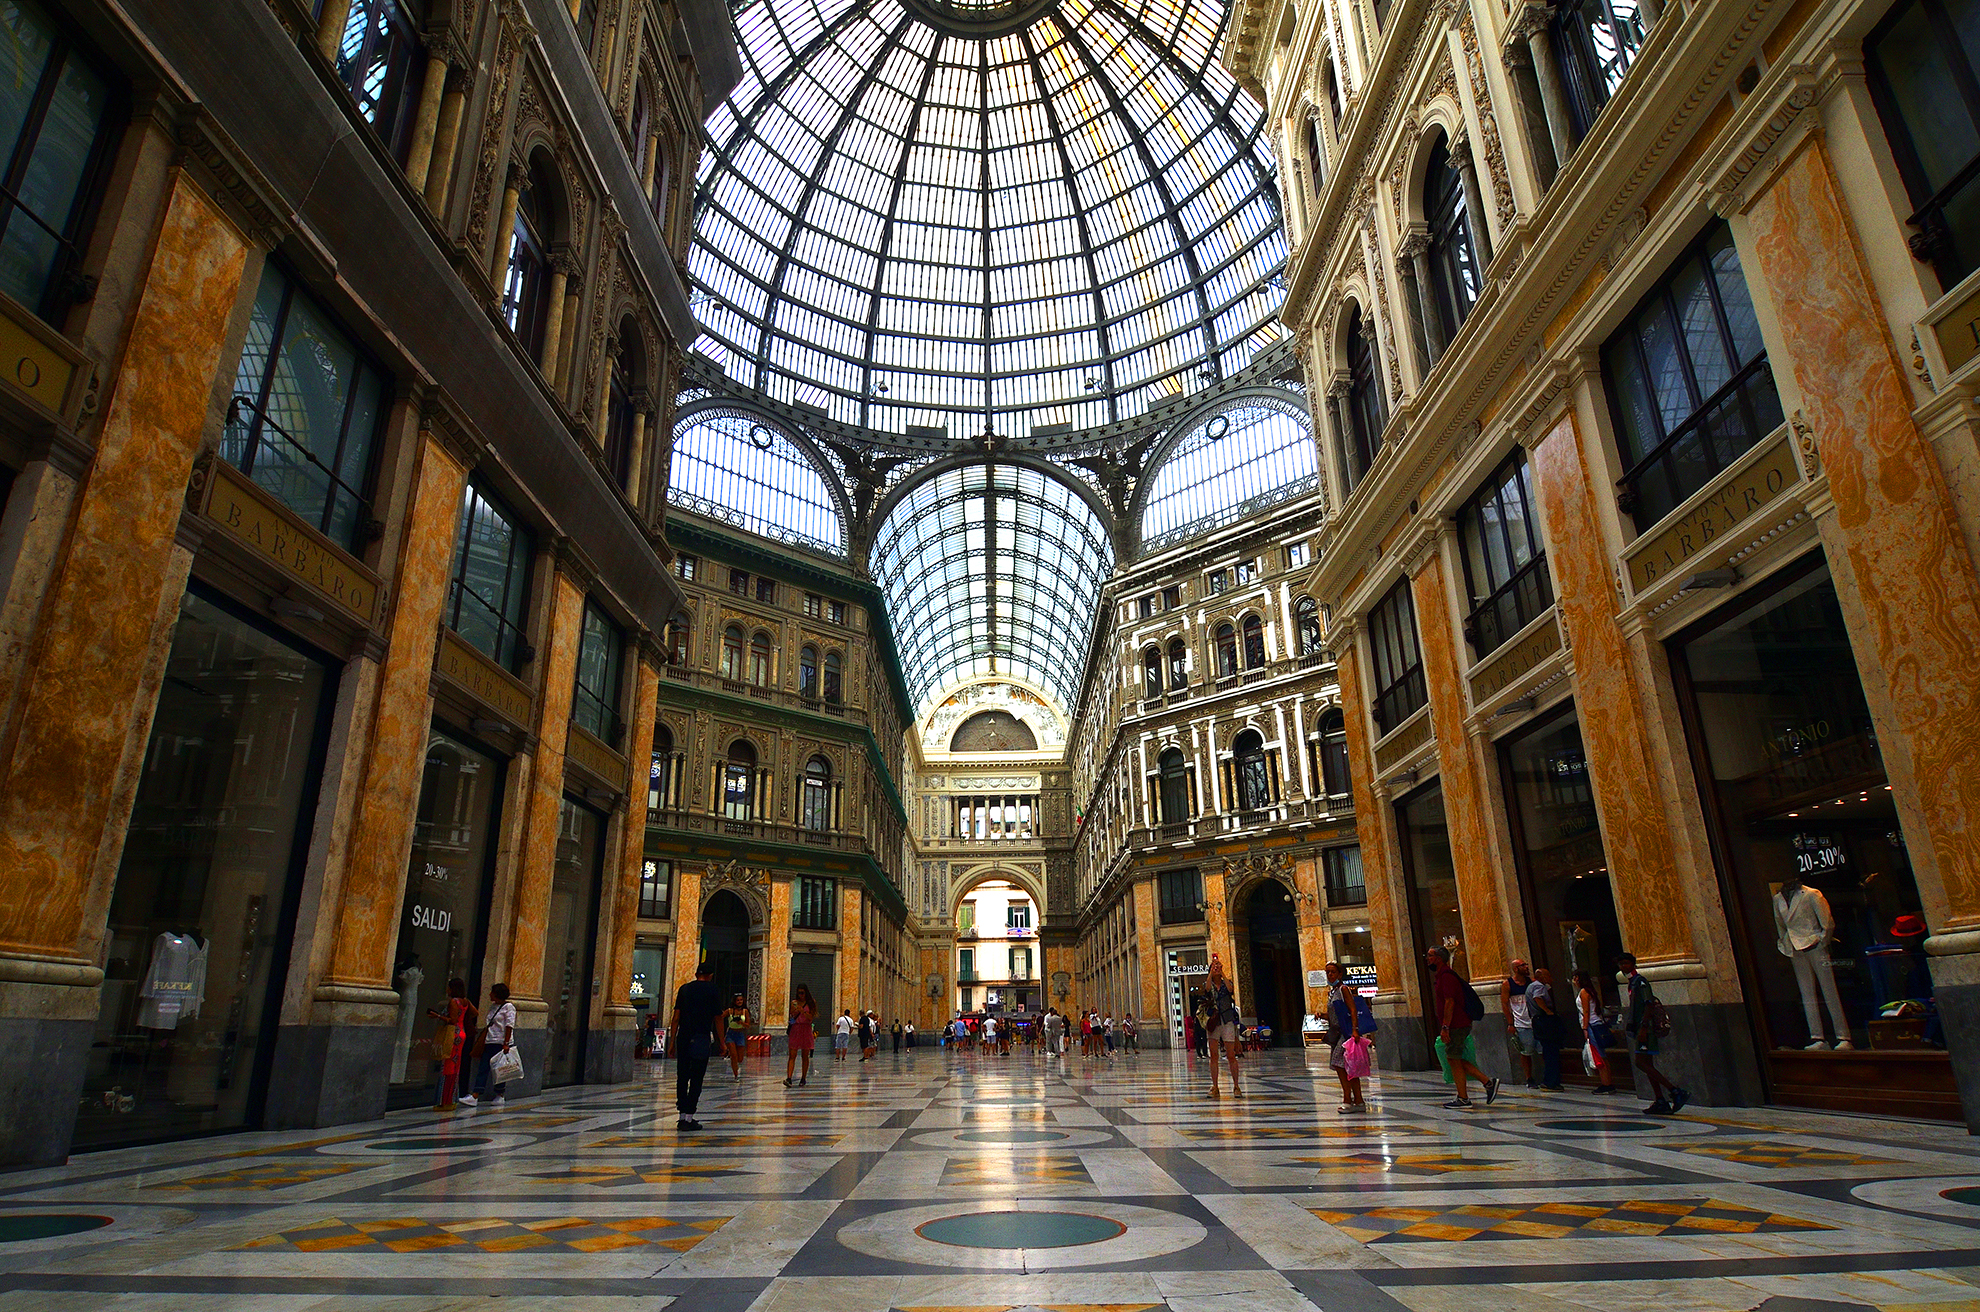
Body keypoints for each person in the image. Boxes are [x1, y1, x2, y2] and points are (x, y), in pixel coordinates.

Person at [1428, 945, 1497, 1109]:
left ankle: (1480, 1086)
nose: (1427, 959)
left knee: (1453, 1058)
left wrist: (1445, 1026)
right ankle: (1475, 1089)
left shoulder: (1446, 976)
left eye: (1430, 956)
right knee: (1453, 1058)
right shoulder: (1442, 975)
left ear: (1438, 958)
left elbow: (1450, 1001)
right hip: (1455, 1023)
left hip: (1456, 1024)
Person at [1620, 953, 1689, 1115]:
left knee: (1641, 1063)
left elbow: (1648, 1004)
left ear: (1633, 964)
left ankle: (1676, 1091)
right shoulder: (1632, 982)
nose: (1623, 967)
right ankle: (1660, 1100)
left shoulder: (1640, 982)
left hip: (1646, 1030)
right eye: (1621, 964)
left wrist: (1644, 1028)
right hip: (1640, 1029)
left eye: (1626, 963)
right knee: (1647, 1065)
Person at [671, 962, 723, 1130]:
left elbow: (676, 1017)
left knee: (682, 1076)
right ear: (710, 975)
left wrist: (671, 1042)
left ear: (695, 974)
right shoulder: (713, 990)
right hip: (701, 1037)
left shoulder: (684, 989)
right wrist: (722, 1042)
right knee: (696, 1078)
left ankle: (681, 1116)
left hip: (684, 1037)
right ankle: (689, 1117)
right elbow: (718, 1018)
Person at [459, 981, 514, 1108]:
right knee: (483, 1067)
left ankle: (499, 1094)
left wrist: (506, 1043)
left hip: (500, 1042)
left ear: (497, 994)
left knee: (499, 1069)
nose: (489, 995)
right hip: (490, 1040)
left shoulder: (508, 1007)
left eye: (492, 992)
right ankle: (475, 1095)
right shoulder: (493, 1007)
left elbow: (509, 1025)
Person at [1324, 961, 1369, 1113]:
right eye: (1328, 972)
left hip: (1346, 1033)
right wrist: (1322, 1016)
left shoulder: (1343, 989)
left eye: (1332, 972)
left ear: (1339, 974)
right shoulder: (1332, 992)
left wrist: (1355, 1030)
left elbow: (1352, 1009)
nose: (1330, 975)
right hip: (1337, 1032)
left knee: (1340, 1064)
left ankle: (1347, 1099)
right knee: (1348, 1066)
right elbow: (1335, 1014)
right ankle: (1358, 1099)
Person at [1203, 956, 1244, 1097]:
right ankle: (1215, 1087)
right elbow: (1207, 989)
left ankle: (1236, 1086)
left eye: (1218, 966)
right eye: (1214, 967)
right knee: (1214, 1055)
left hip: (1227, 1020)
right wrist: (1211, 973)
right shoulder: (1208, 983)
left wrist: (1223, 974)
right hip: (1214, 1022)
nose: (1216, 968)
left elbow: (1231, 989)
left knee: (1231, 1055)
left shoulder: (1226, 983)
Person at [427, 977, 469, 1110]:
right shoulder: (465, 1001)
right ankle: (452, 1099)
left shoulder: (453, 1002)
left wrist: (438, 1016)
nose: (447, 990)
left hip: (452, 1035)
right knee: (455, 1067)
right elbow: (474, 1013)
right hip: (461, 1034)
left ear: (452, 988)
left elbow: (453, 1020)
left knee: (447, 1067)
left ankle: (444, 1101)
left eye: (449, 987)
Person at [1573, 970, 1617, 1094]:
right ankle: (1608, 1082)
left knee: (1598, 1055)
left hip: (1592, 1026)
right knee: (1602, 1055)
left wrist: (1585, 1028)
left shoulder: (1583, 992)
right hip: (1597, 1023)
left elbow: (1586, 1011)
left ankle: (1606, 1084)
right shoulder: (1591, 991)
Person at [1502, 959, 1537, 1088]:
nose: (1526, 967)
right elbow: (1505, 1004)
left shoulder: (1532, 983)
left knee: (1541, 1050)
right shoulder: (1508, 984)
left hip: (1535, 1020)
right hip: (1521, 1023)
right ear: (1516, 969)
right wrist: (1510, 1023)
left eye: (1526, 964)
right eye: (1523, 965)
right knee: (1525, 1052)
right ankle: (1529, 1077)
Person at [1527, 967, 1564, 1091]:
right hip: (1544, 1021)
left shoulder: (1531, 986)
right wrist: (1548, 1011)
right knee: (1551, 1052)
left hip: (1537, 1021)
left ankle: (1549, 1081)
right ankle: (1550, 1082)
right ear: (1542, 977)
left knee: (1548, 1051)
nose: (1550, 979)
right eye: (1548, 976)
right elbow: (1538, 998)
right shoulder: (1539, 987)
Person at [784, 983, 816, 1087]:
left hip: (806, 1029)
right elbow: (791, 1014)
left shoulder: (811, 1003)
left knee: (805, 1055)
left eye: (802, 993)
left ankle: (803, 1078)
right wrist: (794, 1010)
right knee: (792, 1054)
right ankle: (789, 1078)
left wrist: (803, 1012)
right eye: (799, 993)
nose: (801, 995)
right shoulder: (794, 1003)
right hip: (796, 1028)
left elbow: (811, 1017)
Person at [721, 992, 751, 1082]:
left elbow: (748, 1025)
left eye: (741, 1000)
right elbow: (720, 1017)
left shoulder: (745, 1011)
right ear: (734, 1001)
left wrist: (741, 1023)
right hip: (731, 1033)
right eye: (737, 1000)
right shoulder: (730, 1011)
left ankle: (737, 1067)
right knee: (734, 1055)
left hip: (740, 1034)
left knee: (740, 1057)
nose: (739, 1002)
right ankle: (736, 1075)